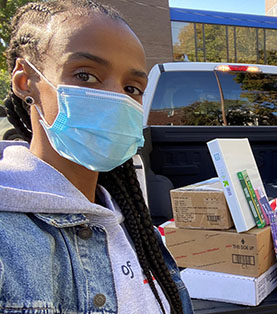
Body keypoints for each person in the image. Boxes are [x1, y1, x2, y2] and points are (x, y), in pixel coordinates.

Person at [0, 1, 193, 313]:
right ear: (26, 82)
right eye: (86, 76)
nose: (116, 99)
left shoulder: (134, 224)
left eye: (132, 87)